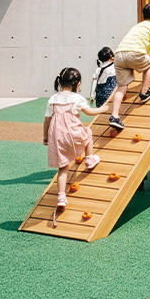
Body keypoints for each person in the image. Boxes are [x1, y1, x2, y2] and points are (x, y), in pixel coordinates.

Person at [43, 67, 108, 209]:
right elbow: (89, 112)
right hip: (73, 132)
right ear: (77, 84)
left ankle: (61, 197)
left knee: (63, 168)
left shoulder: (53, 99)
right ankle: (89, 158)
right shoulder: (77, 98)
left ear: (60, 82)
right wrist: (102, 109)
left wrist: (45, 136)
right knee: (88, 132)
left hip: (57, 136)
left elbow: (47, 120)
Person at [110, 2, 150, 131]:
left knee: (121, 87)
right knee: (149, 65)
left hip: (119, 55)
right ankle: (144, 92)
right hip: (135, 53)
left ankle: (114, 116)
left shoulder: (137, 26)